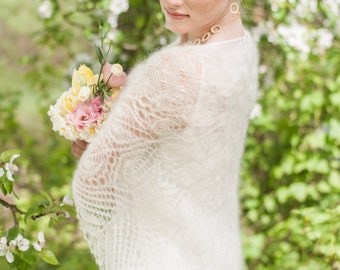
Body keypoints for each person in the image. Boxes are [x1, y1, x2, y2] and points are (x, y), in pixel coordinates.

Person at [71, 0, 258, 269]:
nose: (171, 1)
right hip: (218, 253)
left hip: (160, 256)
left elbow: (94, 182)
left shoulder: (178, 70)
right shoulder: (240, 45)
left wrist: (96, 144)